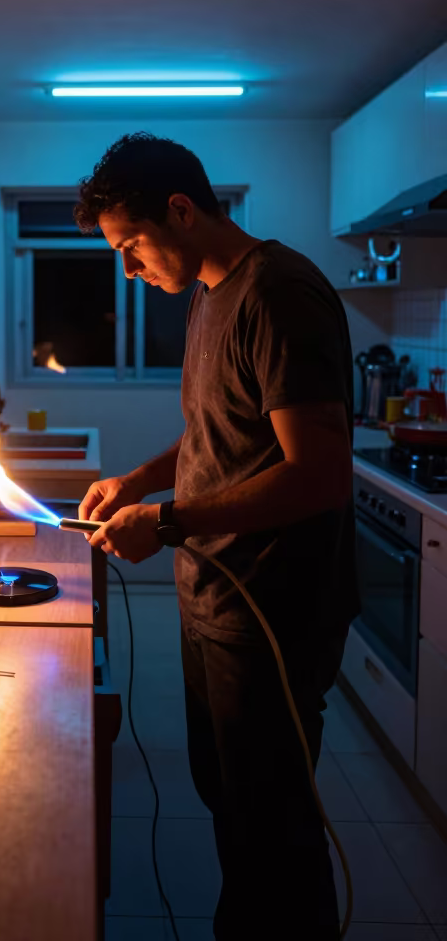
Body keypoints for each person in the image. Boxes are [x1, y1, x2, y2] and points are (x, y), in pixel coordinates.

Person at [75, 132, 357, 941]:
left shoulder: (278, 294)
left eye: (131, 246)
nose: (128, 270)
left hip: (273, 611)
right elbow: (217, 434)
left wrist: (166, 523)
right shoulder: (209, 294)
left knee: (274, 834)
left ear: (181, 209)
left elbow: (319, 474)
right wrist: (139, 481)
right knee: (231, 806)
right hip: (216, 601)